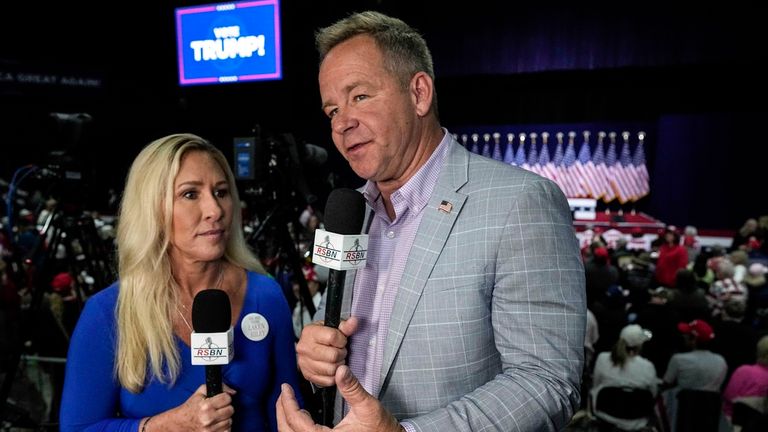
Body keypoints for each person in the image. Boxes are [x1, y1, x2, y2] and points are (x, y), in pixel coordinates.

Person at [276, 11, 586, 432]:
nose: (342, 123)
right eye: (331, 110)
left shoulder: (521, 203)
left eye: (360, 97)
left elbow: (547, 382)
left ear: (419, 93)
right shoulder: (348, 216)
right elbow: (344, 339)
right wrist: (318, 352)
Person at [60, 133, 302, 431]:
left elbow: (290, 416)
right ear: (153, 208)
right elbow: (78, 428)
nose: (215, 211)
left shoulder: (266, 296)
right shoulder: (107, 312)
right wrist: (165, 425)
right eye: (190, 194)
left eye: (222, 192)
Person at [590, 324, 659, 431]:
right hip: (636, 422)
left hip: (605, 416)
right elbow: (653, 394)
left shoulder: (602, 358)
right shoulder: (648, 366)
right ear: (640, 345)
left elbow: (595, 385)